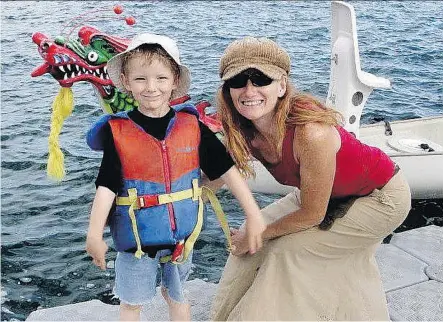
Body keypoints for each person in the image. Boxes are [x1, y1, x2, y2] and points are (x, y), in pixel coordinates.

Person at [210, 36, 411, 321]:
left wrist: (258, 234)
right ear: (227, 90)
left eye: (260, 79)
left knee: (286, 251)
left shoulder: (311, 133)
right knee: (248, 241)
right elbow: (216, 177)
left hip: (380, 197)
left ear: (281, 86)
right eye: (238, 80)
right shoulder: (244, 127)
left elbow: (312, 214)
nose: (249, 89)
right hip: (322, 193)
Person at [84, 33, 265, 321]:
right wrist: (94, 234)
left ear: (175, 81)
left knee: (178, 298)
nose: (151, 88)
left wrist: (253, 215)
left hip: (182, 239)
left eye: (160, 78)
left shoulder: (192, 125)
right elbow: (105, 186)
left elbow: (227, 170)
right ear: (127, 83)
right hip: (137, 243)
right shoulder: (117, 133)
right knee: (131, 303)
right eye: (140, 79)